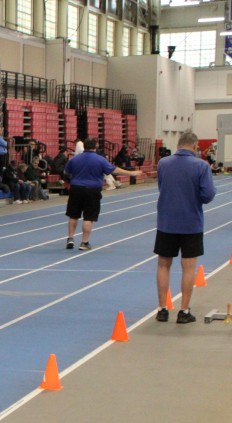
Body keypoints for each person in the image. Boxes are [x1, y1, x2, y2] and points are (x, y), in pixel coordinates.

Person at [154, 131, 215, 324]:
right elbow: (208, 195)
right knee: (188, 268)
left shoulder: (163, 163)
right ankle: (184, 311)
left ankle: (162, 309)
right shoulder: (201, 166)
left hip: (166, 222)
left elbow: (161, 187)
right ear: (195, 146)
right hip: (191, 223)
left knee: (163, 265)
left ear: (178, 144)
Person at [63, 138, 142, 250]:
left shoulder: (74, 159)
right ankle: (84, 242)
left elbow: (66, 172)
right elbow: (114, 170)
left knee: (73, 215)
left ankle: (70, 239)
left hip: (76, 188)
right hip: (92, 190)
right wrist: (131, 173)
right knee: (89, 217)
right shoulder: (100, 159)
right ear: (95, 147)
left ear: (84, 146)